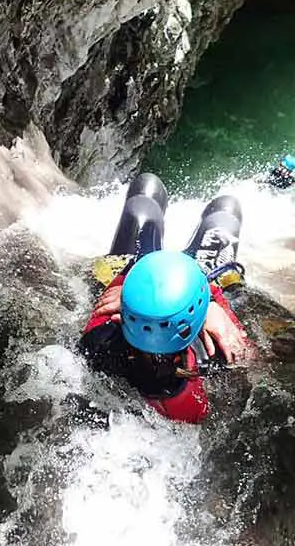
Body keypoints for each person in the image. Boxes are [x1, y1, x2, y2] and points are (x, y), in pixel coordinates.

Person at [79, 173, 254, 424]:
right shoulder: (210, 363)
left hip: (148, 280)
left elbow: (119, 296)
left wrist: (128, 291)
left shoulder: (98, 344)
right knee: (226, 210)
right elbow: (245, 355)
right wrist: (212, 305)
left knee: (144, 195)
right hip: (186, 286)